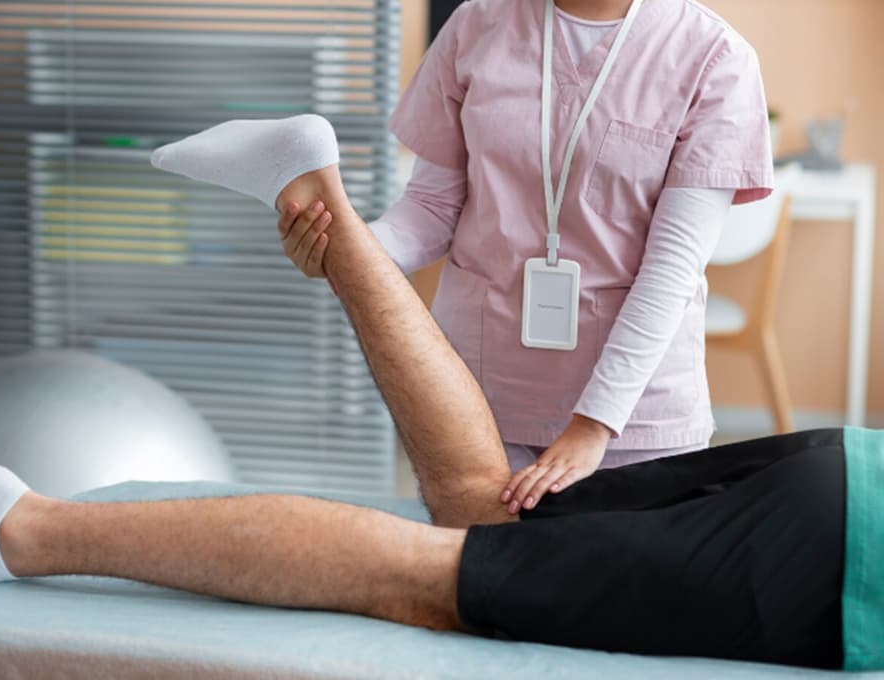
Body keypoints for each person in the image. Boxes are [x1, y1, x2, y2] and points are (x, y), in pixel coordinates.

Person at [0, 117, 882, 671]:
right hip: (842, 563)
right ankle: (23, 530)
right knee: (432, 576)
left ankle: (311, 181)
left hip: (850, 480)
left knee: (485, 512)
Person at [277, 0, 777, 506]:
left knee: (614, 582)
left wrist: (593, 425)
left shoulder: (714, 56)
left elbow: (672, 268)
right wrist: (346, 253)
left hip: (632, 420)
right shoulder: (477, 24)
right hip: (477, 404)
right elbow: (430, 208)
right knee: (478, 579)